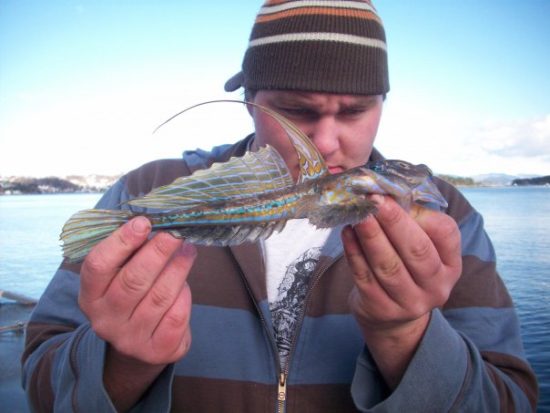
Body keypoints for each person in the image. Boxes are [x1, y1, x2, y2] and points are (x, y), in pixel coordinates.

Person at [22, 1, 538, 412]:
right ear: (249, 97)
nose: (328, 142)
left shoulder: (444, 211)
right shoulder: (148, 188)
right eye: (295, 110)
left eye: (355, 110)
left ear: (383, 102)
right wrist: (122, 363)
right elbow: (41, 383)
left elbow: (509, 399)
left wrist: (405, 335)